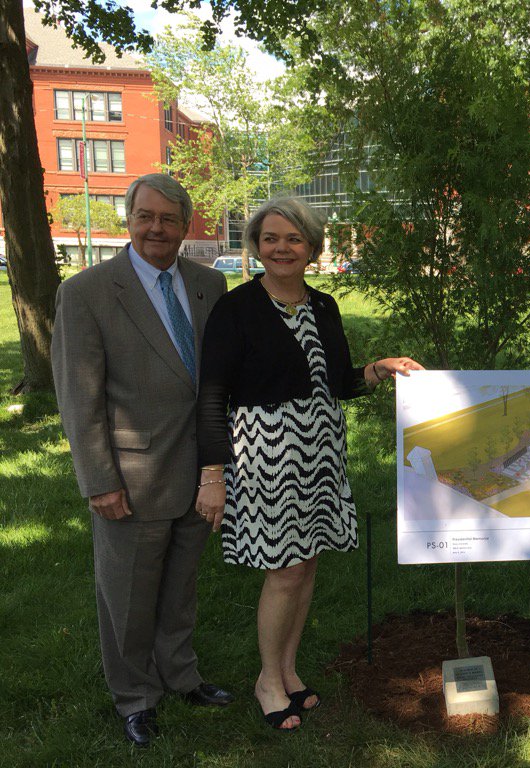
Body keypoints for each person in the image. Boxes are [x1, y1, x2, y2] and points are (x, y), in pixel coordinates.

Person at [195, 197, 422, 730]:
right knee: (285, 570)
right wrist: (213, 475)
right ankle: (267, 680)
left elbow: (338, 381)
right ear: (256, 245)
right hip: (266, 454)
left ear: (312, 247)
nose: (281, 248)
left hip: (320, 450)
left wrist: (381, 368)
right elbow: (211, 397)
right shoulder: (237, 309)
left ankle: (288, 670)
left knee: (309, 562)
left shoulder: (323, 306)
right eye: (271, 238)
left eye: (293, 239)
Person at [52, 173, 232, 747]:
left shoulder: (210, 284)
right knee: (127, 597)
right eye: (145, 216)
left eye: (169, 218)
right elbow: (79, 398)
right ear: (127, 220)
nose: (157, 228)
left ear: (185, 225)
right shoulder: (87, 292)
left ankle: (181, 676)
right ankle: (135, 697)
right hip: (130, 477)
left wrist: (219, 465)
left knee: (180, 590)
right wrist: (99, 480)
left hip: (198, 472)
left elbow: (214, 381)